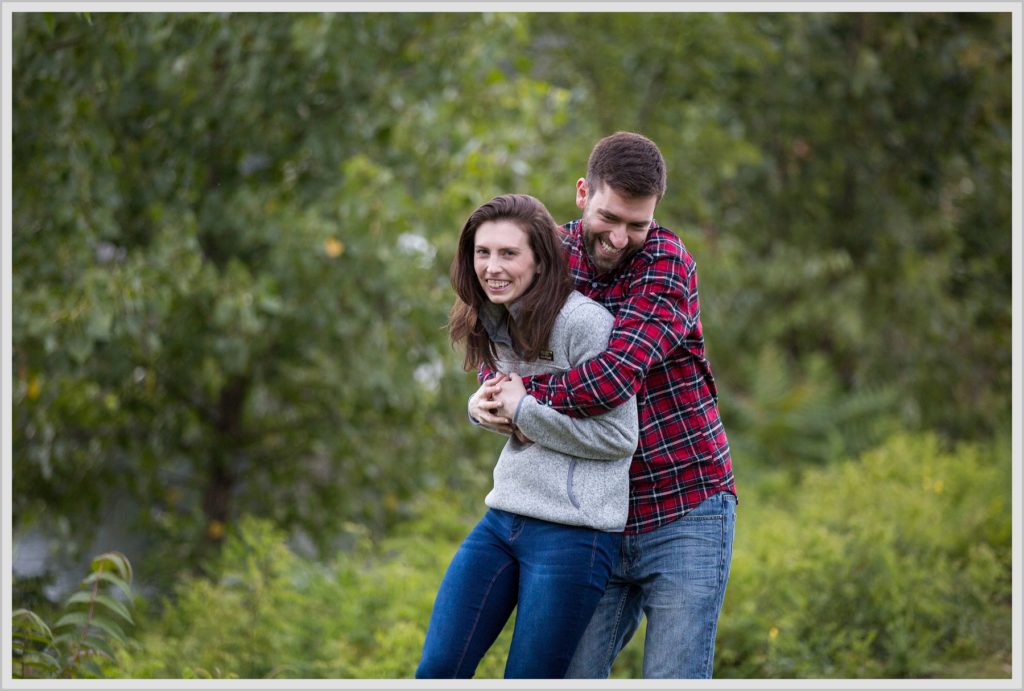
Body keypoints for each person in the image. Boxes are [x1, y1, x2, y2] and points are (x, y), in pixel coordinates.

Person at [476, 132, 737, 679]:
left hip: (684, 504)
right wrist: (491, 388)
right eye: (609, 217)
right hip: (590, 521)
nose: (620, 238)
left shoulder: (667, 265)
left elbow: (611, 380)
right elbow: (501, 331)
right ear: (581, 193)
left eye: (637, 224)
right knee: (571, 675)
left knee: (674, 678)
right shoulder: (549, 255)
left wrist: (524, 398)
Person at [416, 194, 639, 679]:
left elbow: (620, 438)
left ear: (540, 259)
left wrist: (524, 412)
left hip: (574, 534)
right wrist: (480, 409)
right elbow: (510, 401)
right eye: (482, 253)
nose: (492, 267)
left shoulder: (583, 323)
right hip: (503, 519)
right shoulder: (496, 318)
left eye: (508, 254)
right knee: (438, 669)